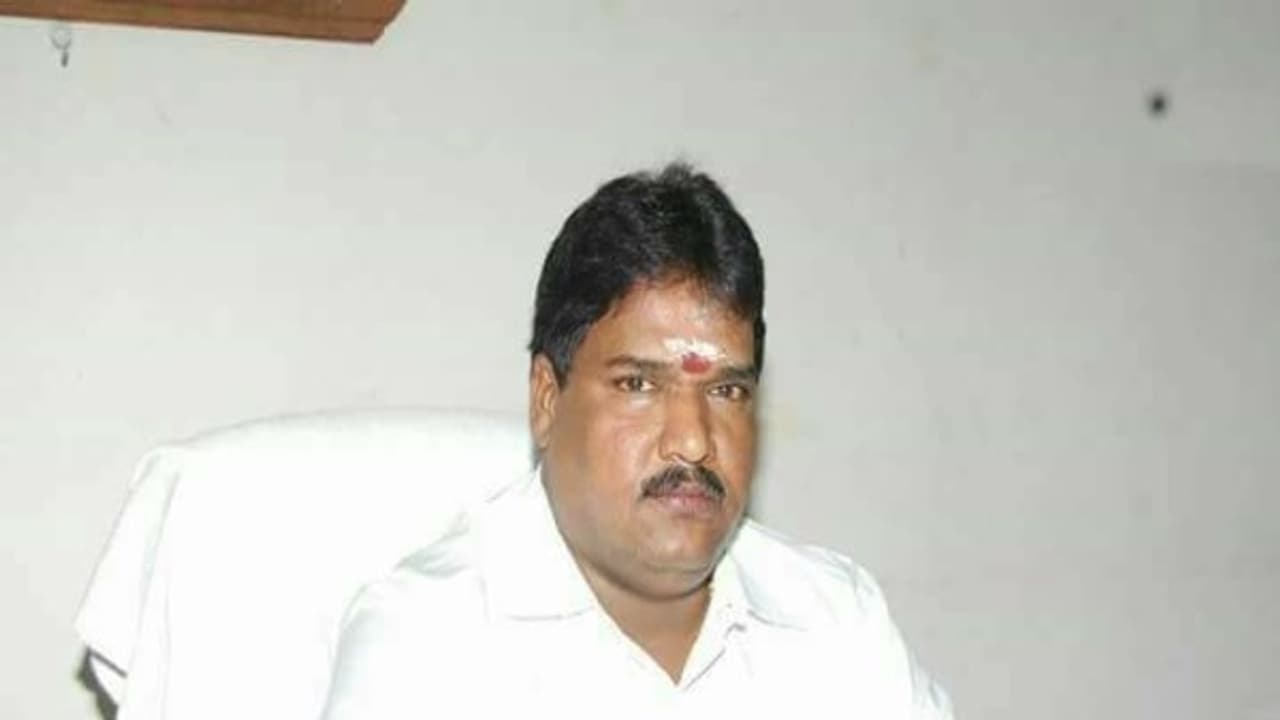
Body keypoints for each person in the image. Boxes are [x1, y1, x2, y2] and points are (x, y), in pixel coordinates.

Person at [319, 163, 953, 719]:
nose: (693, 441)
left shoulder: (835, 620)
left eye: (726, 390)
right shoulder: (425, 642)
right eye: (639, 384)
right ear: (547, 399)